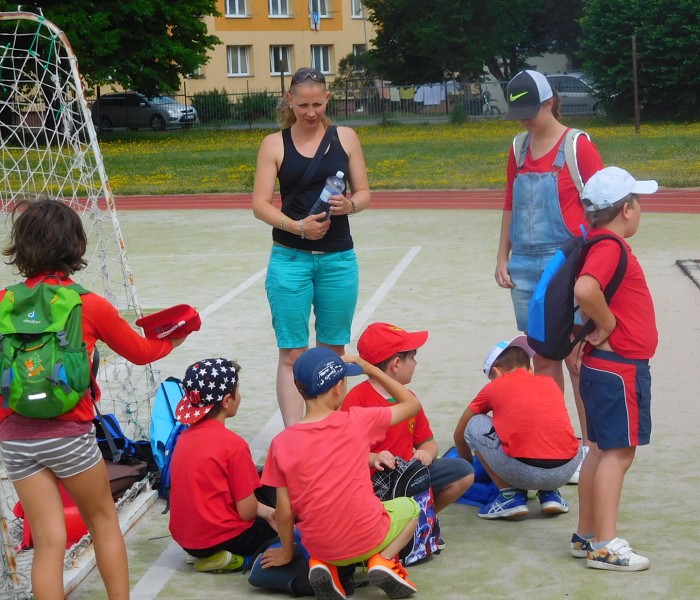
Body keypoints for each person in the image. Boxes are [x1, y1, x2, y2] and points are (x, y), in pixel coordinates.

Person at [0, 198, 185, 600]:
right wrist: (173, 339)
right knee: (102, 521)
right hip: (69, 436)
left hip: (15, 438)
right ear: (77, 246)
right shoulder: (88, 305)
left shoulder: (3, 302)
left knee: (48, 542)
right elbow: (141, 352)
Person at [496, 69, 605, 481]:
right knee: (542, 359)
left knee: (577, 360)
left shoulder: (578, 146)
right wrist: (503, 256)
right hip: (525, 266)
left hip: (566, 265)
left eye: (531, 110)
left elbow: (602, 208)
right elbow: (510, 203)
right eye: (518, 112)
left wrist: (595, 268)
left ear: (549, 102)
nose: (524, 118)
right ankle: (558, 447)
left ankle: (590, 449)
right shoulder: (518, 147)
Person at [252, 66, 371, 428]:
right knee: (292, 354)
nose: (310, 112)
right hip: (290, 260)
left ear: (327, 99)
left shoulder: (346, 138)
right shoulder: (274, 144)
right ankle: (295, 434)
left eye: (317, 104)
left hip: (338, 260)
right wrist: (297, 227)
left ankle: (329, 431)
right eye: (303, 105)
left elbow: (365, 193)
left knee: (333, 353)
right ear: (290, 100)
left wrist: (349, 205)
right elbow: (260, 205)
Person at [260, 346, 421, 600]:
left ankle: (324, 564)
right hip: (368, 536)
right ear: (338, 388)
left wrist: (287, 553)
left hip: (320, 545)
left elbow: (284, 511)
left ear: (300, 389)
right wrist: (369, 369)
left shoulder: (281, 443)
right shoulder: (357, 421)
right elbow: (411, 404)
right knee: (411, 508)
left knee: (320, 532)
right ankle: (381, 560)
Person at [571, 166, 658, 571]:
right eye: (637, 202)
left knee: (600, 449)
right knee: (618, 455)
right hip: (619, 367)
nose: (640, 209)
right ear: (626, 209)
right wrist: (607, 324)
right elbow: (586, 289)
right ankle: (605, 545)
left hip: (605, 366)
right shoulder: (610, 247)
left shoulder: (597, 243)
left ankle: (587, 534)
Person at [342, 322, 474, 513]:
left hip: (408, 475)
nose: (415, 363)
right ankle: (391, 520)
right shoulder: (357, 399)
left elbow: (428, 442)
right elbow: (345, 452)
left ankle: (422, 517)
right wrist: (374, 457)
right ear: (396, 364)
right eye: (412, 357)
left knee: (463, 472)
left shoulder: (409, 398)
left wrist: (426, 453)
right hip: (371, 483)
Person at [168, 358, 278, 573]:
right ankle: (242, 560)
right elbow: (247, 513)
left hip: (187, 540)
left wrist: (266, 512)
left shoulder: (183, 439)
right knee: (279, 521)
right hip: (226, 538)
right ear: (227, 400)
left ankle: (204, 554)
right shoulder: (234, 445)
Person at [453, 336, 580, 520]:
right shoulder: (550, 382)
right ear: (530, 369)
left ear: (495, 373)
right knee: (551, 427)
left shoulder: (494, 386)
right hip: (566, 470)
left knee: (474, 423)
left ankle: (509, 496)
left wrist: (467, 466)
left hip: (523, 471)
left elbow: (460, 432)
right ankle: (550, 494)